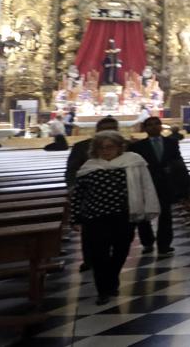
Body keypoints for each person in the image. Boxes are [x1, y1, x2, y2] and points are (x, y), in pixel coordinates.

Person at [71, 130, 159, 304]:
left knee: (121, 250)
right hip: (95, 218)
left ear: (120, 147)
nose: (105, 151)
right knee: (98, 254)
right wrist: (75, 218)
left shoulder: (132, 162)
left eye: (110, 147)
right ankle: (103, 290)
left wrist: (146, 208)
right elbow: (78, 194)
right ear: (95, 149)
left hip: (123, 216)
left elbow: (145, 186)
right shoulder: (89, 167)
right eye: (101, 148)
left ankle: (112, 276)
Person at [67, 116, 120, 272]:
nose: (108, 132)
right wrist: (72, 188)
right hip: (90, 196)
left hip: (118, 197)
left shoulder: (125, 148)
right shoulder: (81, 147)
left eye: (112, 129)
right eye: (105, 129)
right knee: (90, 231)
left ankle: (112, 259)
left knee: (117, 232)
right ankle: (89, 259)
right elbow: (72, 170)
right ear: (97, 131)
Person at [129, 116, 187, 254]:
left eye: (156, 124)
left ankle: (164, 244)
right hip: (146, 183)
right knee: (143, 215)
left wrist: (172, 169)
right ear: (145, 128)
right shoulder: (137, 146)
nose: (154, 127)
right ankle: (147, 242)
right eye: (150, 125)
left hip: (165, 183)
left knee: (166, 214)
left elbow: (177, 160)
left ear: (161, 126)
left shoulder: (171, 142)